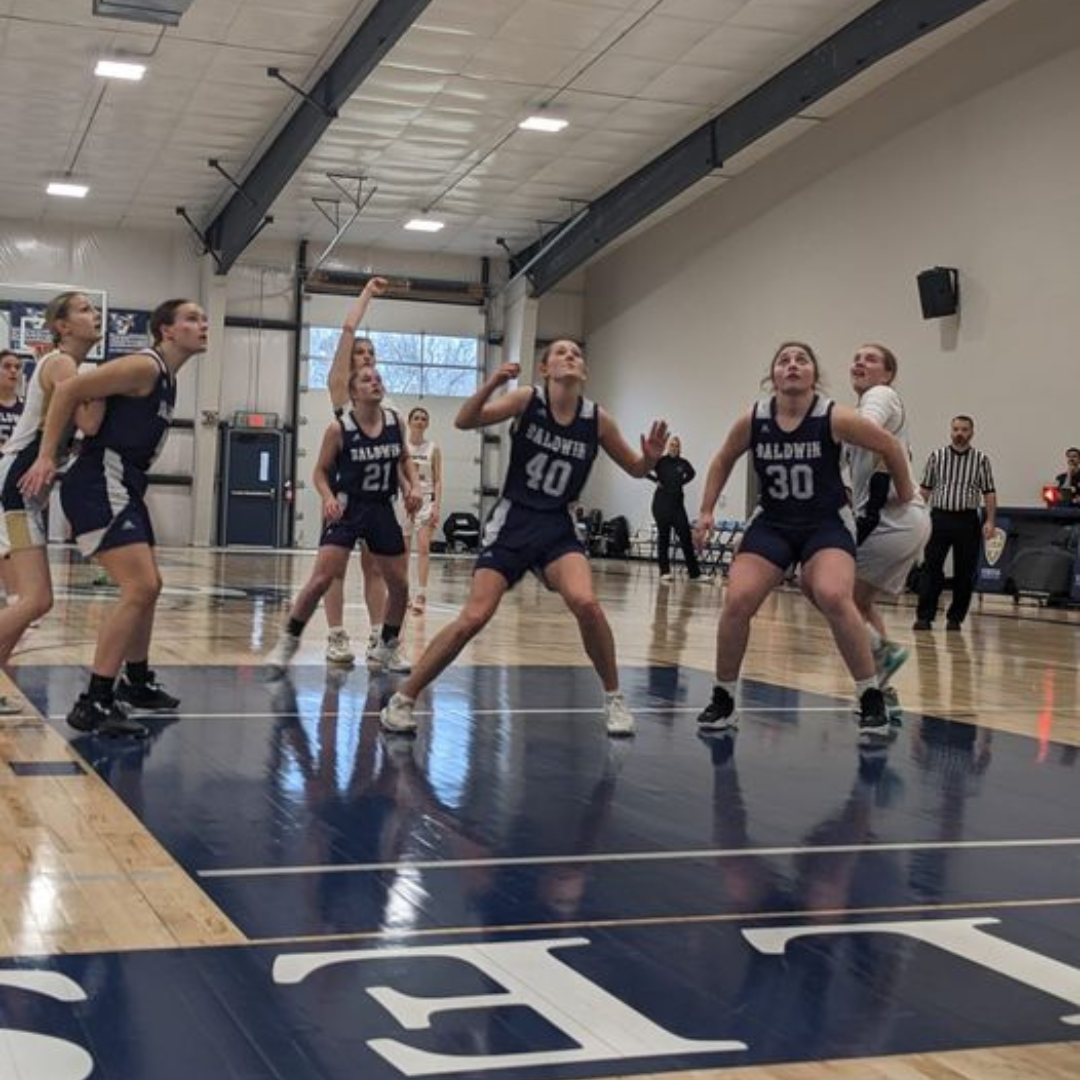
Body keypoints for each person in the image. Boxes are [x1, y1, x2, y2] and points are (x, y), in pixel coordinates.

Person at [381, 341, 668, 738]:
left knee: (587, 603)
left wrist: (651, 458)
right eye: (561, 352)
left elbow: (637, 469)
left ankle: (614, 697)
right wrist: (492, 383)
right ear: (544, 368)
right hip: (514, 520)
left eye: (577, 354)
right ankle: (404, 697)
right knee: (474, 617)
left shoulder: (597, 419)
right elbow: (465, 421)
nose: (571, 356)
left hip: (557, 526)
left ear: (584, 371)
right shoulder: (527, 399)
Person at [692, 341, 916, 744]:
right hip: (773, 523)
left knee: (832, 594)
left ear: (814, 375)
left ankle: (870, 695)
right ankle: (724, 697)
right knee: (738, 599)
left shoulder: (833, 416)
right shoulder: (754, 418)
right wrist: (707, 510)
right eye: (784, 360)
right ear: (773, 376)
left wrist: (905, 490)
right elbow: (723, 458)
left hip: (825, 523)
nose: (792, 365)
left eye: (801, 360)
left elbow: (889, 445)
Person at [20, 298, 209, 737]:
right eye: (192, 319)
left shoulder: (167, 378)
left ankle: (136, 682)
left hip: (124, 484)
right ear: (166, 330)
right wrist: (47, 456)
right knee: (140, 585)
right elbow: (69, 390)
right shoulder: (145, 365)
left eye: (204, 319)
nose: (203, 326)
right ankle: (94, 702)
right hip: (98, 483)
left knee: (150, 587)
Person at [265, 364, 420, 675]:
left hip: (381, 508)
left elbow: (403, 459)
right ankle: (289, 639)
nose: (375, 381)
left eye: (378, 377)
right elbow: (320, 471)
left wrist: (411, 485)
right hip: (348, 508)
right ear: (353, 392)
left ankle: (387, 646)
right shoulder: (339, 429)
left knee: (400, 586)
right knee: (321, 578)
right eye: (366, 379)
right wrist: (328, 497)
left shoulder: (395, 422)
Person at [0, 300, 102, 715]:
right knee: (34, 598)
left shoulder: (66, 367)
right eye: (83, 309)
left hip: (26, 491)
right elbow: (92, 423)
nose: (94, 313)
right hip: (15, 488)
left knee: (34, 600)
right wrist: (113, 385)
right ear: (61, 326)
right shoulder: (62, 365)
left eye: (94, 307)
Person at [846, 343, 931, 719]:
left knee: (826, 591)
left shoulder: (880, 396)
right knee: (857, 603)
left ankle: (884, 656)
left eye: (871, 358)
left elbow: (868, 428)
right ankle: (883, 691)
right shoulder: (865, 407)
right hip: (905, 520)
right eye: (856, 357)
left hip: (893, 519)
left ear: (888, 374)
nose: (859, 361)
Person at [320, 276, 389, 666]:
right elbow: (348, 330)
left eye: (370, 353)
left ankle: (379, 636)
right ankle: (335, 635)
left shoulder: (381, 395)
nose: (365, 356)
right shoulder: (340, 388)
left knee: (375, 567)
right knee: (335, 568)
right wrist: (365, 295)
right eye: (359, 352)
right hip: (343, 489)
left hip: (377, 493)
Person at [913, 415, 996, 631]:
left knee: (964, 572)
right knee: (931, 568)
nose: (960, 433)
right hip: (940, 518)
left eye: (964, 429)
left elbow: (989, 492)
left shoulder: (981, 459)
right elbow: (925, 490)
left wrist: (990, 521)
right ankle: (924, 616)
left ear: (972, 433)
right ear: (951, 431)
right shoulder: (937, 457)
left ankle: (955, 618)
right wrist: (917, 517)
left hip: (967, 520)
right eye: (956, 429)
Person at [402, 405, 442, 613]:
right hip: (405, 500)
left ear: (427, 424)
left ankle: (422, 594)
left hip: (426, 500)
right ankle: (404, 594)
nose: (419, 421)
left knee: (424, 547)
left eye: (423, 418)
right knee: (404, 550)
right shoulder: (402, 447)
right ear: (409, 422)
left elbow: (438, 480)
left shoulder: (433, 448)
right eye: (416, 418)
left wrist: (436, 505)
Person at [649, 434, 702, 582]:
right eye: (671, 445)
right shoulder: (660, 461)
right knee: (663, 538)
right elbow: (645, 469)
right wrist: (656, 480)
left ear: (680, 448)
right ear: (668, 447)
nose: (674, 447)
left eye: (676, 445)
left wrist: (681, 482)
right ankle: (664, 572)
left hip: (678, 505)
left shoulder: (683, 463)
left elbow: (692, 473)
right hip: (661, 504)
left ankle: (694, 574)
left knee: (685, 537)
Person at [0, 350, 26, 611]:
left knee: (18, 543)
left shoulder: (26, 408)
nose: (13, 371)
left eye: (17, 367)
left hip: (15, 486)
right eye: (7, 366)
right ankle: (16, 600)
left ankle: (19, 600)